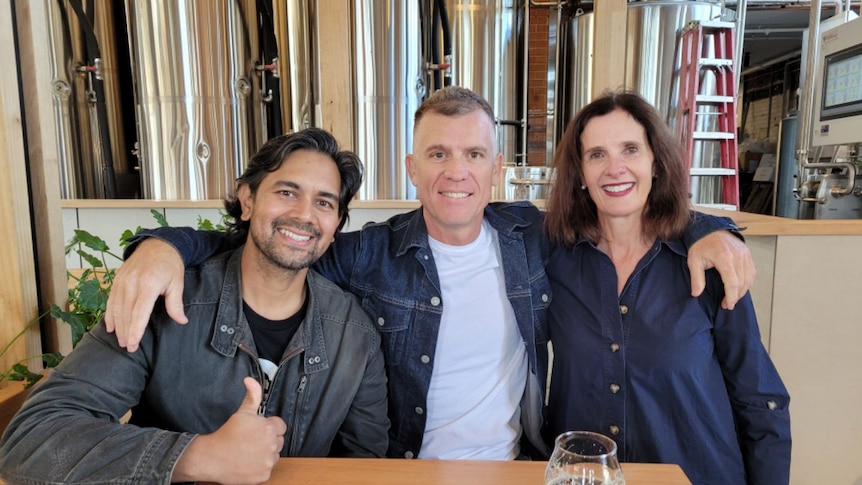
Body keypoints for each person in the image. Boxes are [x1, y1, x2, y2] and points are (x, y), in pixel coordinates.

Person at [102, 86, 754, 460]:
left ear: (495, 167)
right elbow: (279, 237)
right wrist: (161, 244)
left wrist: (707, 226)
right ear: (412, 167)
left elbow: (626, 211)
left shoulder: (535, 236)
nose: (457, 171)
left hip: (518, 471)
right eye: (438, 153)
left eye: (474, 153)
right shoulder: (370, 254)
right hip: (408, 472)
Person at [0, 128, 389, 484]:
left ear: (336, 224)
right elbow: (31, 440)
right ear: (248, 199)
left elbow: (365, 464)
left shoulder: (356, 336)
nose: (304, 214)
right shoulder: (163, 305)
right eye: (287, 192)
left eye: (324, 202)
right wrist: (197, 456)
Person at [543, 91, 791, 484]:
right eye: (597, 155)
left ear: (656, 162)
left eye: (630, 149)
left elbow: (760, 398)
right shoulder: (554, 260)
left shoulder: (706, 264)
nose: (615, 168)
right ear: (580, 175)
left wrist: (712, 229)